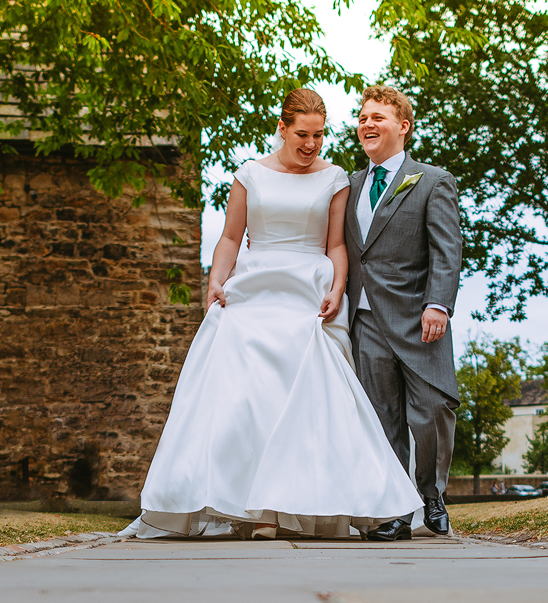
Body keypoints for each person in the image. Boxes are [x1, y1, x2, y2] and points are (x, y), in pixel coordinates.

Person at [121, 89, 421, 540]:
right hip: (254, 288)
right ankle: (248, 506)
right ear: (282, 128)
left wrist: (338, 289)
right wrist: (215, 282)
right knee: (245, 398)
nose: (311, 144)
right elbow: (229, 238)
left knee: (305, 401)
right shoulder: (248, 176)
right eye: (302, 134)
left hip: (308, 293)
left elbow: (336, 245)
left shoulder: (335, 178)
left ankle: (289, 507)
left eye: (319, 135)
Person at [345, 85, 464, 540]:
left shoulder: (433, 181)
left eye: (378, 117)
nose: (368, 124)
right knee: (382, 417)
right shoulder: (349, 184)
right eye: (362, 117)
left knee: (433, 408)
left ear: (404, 126)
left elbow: (446, 248)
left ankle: (431, 494)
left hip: (419, 318)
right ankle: (395, 509)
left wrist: (438, 304)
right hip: (366, 319)